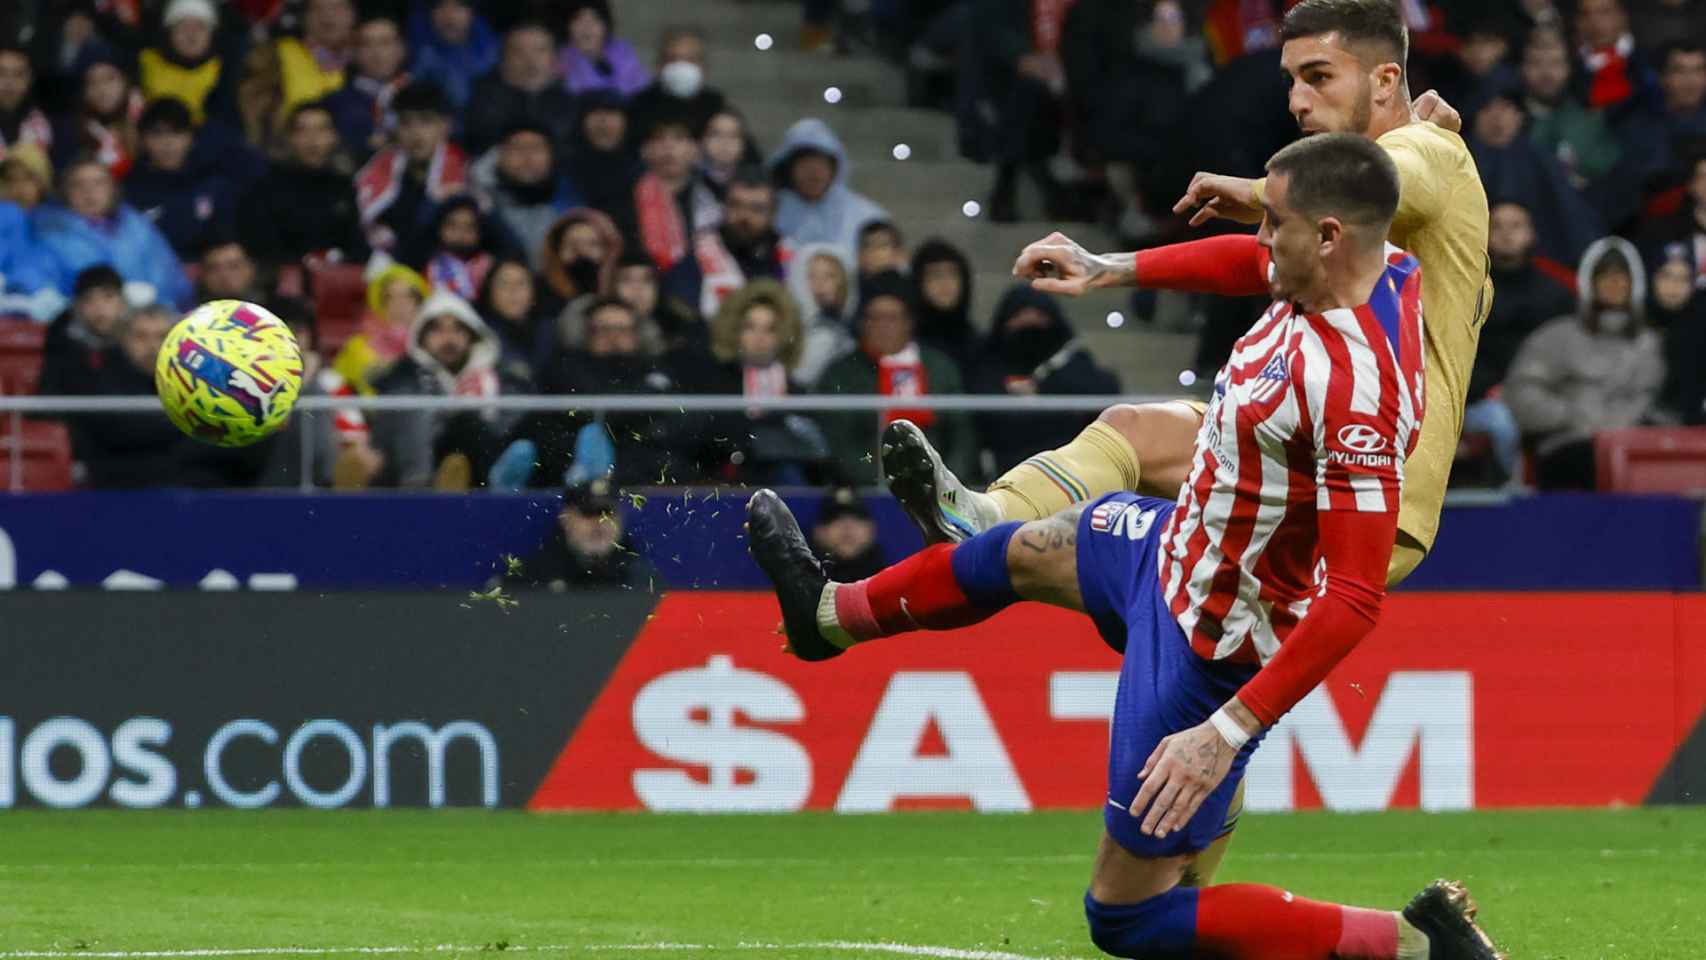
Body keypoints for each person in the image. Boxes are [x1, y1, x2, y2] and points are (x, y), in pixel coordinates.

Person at [746, 132, 1505, 960]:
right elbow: (1238, 262)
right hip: (1167, 549)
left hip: (1206, 646)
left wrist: (1221, 730)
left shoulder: (1353, 391)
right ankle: (830, 617)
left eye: (1272, 224)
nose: (1257, 241)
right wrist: (1114, 267)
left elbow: (1355, 598)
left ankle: (1415, 946)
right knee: (1026, 548)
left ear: (1326, 236)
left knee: (1128, 918)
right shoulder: (1359, 263)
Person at [881, 0, 1488, 600]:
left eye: (1319, 77)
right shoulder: (1361, 208)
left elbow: (1372, 181)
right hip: (1296, 457)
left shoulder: (1429, 152)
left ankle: (861, 606)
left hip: (1366, 493)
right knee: (1131, 433)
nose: (1297, 100)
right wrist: (1108, 267)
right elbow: (1258, 260)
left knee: (1105, 547)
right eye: (1292, 80)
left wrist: (1258, 194)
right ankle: (982, 518)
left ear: (1385, 81)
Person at [1505, 238, 1665, 490]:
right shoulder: (1556, 336)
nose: (1614, 285)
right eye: (1605, 277)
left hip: (1631, 447)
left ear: (1635, 285)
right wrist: (1571, 415)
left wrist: (1617, 429)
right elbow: (1522, 391)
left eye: (1621, 278)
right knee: (1581, 460)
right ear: (1589, 283)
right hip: (1567, 443)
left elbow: (1650, 398)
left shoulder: (1649, 344)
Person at [816, 270, 974, 485]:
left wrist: (946, 484)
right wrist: (886, 482)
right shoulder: (841, 373)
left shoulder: (939, 368)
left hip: (938, 489)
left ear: (909, 322)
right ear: (863, 322)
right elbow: (840, 445)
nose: (884, 327)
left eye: (892, 318)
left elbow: (961, 437)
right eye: (875, 318)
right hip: (864, 495)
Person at [1464, 202, 1576, 483]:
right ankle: (1510, 504)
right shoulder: (1466, 291)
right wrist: (1490, 389)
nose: (1506, 234)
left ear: (1532, 234)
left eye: (1516, 226)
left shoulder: (1556, 295)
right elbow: (1456, 354)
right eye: (1497, 226)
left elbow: (1568, 357)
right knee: (1501, 423)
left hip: (1543, 393)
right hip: (1479, 397)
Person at [367, 288, 522, 489]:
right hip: (407, 472)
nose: (448, 338)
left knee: (470, 423)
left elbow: (510, 425)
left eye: (458, 330)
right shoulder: (403, 375)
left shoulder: (498, 377)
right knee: (416, 407)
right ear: (422, 336)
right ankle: (422, 487)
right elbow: (387, 432)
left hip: (479, 466)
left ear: (473, 335)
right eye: (438, 330)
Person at [972, 284, 1122, 476]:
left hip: (1072, 471)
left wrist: (1043, 392)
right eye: (1019, 318)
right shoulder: (988, 365)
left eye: (1039, 318)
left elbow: (1104, 393)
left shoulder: (1074, 361)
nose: (1029, 326)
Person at [700, 278, 827, 484]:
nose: (760, 338)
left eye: (770, 329)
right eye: (750, 327)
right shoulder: (716, 384)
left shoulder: (797, 391)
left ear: (783, 334)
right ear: (736, 332)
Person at [33, 157, 192, 309]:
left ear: (113, 188)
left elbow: (170, 280)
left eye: (98, 183)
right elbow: (43, 287)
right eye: (78, 185)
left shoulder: (138, 226)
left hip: (146, 320)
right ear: (65, 192)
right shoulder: (48, 231)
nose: (89, 192)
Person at [236, 100, 367, 267]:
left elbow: (357, 245)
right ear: (290, 138)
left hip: (337, 280)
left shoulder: (344, 187)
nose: (313, 140)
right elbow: (261, 249)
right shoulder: (266, 188)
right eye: (303, 131)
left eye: (321, 130)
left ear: (334, 136)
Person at [354, 81, 467, 253]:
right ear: (396, 129)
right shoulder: (377, 169)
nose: (416, 133)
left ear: (445, 126)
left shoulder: (465, 174)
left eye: (426, 122)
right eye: (406, 123)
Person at [124, 96, 237, 258]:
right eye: (158, 134)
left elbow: (226, 245)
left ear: (190, 138)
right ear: (143, 140)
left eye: (177, 132)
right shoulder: (129, 190)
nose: (168, 143)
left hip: (208, 277)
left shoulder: (214, 184)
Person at [768, 118, 889, 263]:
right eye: (804, 164)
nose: (813, 173)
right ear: (788, 168)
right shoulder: (769, 210)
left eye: (820, 164)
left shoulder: (867, 217)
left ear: (834, 168)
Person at [505, 479, 656, 591]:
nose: (599, 523)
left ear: (621, 520)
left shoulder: (643, 580)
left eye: (608, 513)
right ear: (566, 519)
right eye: (589, 513)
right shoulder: (534, 577)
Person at [474, 122, 582, 273]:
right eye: (517, 149)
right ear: (499, 156)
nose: (527, 157)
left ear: (551, 156)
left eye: (536, 149)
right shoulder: (480, 208)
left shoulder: (573, 206)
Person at [620, 114, 720, 273]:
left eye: (679, 138)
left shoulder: (716, 199)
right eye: (659, 138)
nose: (668, 146)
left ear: (695, 149)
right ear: (645, 150)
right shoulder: (624, 199)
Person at [464, 21, 578, 156]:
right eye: (518, 51)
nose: (530, 59)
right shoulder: (482, 101)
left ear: (554, 58)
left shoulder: (571, 103)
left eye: (540, 50)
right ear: (504, 59)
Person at [690, 166, 786, 319]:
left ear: (773, 214)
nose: (744, 215)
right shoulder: (697, 251)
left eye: (757, 208)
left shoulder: (788, 256)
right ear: (723, 206)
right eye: (736, 205)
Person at [332, 262, 429, 394]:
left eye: (407, 297)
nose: (399, 304)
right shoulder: (358, 347)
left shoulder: (432, 345)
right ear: (379, 303)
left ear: (420, 303)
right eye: (390, 298)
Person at [322, 15, 410, 159]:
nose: (377, 52)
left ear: (401, 48)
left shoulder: (423, 94)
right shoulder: (334, 103)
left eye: (385, 43)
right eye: (367, 44)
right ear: (354, 52)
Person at [137, 0, 236, 126]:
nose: (191, 34)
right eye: (183, 26)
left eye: (200, 26)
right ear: (169, 33)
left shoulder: (225, 72)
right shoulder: (145, 62)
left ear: (211, 34)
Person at [37, 265, 125, 398]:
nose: (99, 307)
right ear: (77, 307)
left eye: (108, 297)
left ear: (123, 302)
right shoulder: (60, 345)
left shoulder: (141, 340)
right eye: (89, 299)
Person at [627, 27, 727, 141]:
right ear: (658, 66)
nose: (681, 66)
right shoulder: (639, 105)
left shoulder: (715, 105)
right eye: (673, 59)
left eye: (690, 60)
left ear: (704, 67)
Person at [53, 53, 142, 178]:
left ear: (125, 81)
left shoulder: (146, 121)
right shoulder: (69, 129)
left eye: (109, 79)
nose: (102, 89)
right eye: (92, 82)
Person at [406, 194, 507, 301]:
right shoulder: (424, 263)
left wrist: (490, 213)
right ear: (440, 229)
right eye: (452, 225)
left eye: (469, 227)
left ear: (479, 233)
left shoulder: (491, 266)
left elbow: (515, 250)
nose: (460, 233)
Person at [269, 0, 356, 123]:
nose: (327, 16)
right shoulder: (277, 54)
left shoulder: (366, 56)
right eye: (317, 9)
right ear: (304, 17)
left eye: (337, 7)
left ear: (352, 14)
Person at [405, 0, 498, 113]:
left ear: (472, 12)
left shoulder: (495, 51)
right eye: (440, 6)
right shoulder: (418, 55)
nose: (449, 17)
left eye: (458, 7)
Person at [785, 242, 856, 388]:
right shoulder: (790, 328)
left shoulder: (852, 326)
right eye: (811, 276)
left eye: (829, 276)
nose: (820, 283)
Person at [1651, 248, 1706, 424]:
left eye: (1683, 279)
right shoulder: (1635, 322)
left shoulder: (1699, 331)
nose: (1673, 286)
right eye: (1666, 276)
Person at [476, 256, 551, 384]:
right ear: (489, 291)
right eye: (503, 284)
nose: (513, 291)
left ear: (534, 291)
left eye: (521, 283)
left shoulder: (550, 332)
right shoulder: (477, 331)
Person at [538, 207, 624, 316]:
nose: (583, 253)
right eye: (573, 246)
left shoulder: (623, 295)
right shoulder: (540, 297)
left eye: (593, 244)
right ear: (556, 251)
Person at [567, 90, 640, 215]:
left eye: (611, 113)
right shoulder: (566, 170)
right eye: (595, 113)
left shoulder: (641, 170)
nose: (603, 122)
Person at [909, 239, 976, 372]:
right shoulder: (906, 344)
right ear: (918, 283)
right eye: (935, 275)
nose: (945, 283)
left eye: (952, 274)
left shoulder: (979, 345)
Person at [558, 0, 649, 98]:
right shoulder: (561, 61)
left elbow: (642, 88)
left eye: (595, 19)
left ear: (605, 26)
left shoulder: (623, 52)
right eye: (579, 19)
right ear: (569, 25)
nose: (587, 27)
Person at [809, 487, 885, 581]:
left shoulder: (890, 584)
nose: (847, 526)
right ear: (819, 532)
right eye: (836, 518)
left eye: (857, 518)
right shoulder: (800, 585)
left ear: (870, 530)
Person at [0, 46, 53, 160]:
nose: (9, 82)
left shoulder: (42, 124)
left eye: (18, 74)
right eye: (1, 73)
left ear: (29, 79)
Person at [698, 108, 760, 198]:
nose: (725, 142)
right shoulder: (687, 178)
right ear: (702, 140)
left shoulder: (756, 183)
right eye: (716, 134)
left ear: (744, 144)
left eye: (733, 136)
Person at [196, 235, 266, 303]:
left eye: (234, 266)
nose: (224, 275)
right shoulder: (194, 313)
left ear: (251, 268)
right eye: (214, 269)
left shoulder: (270, 312)